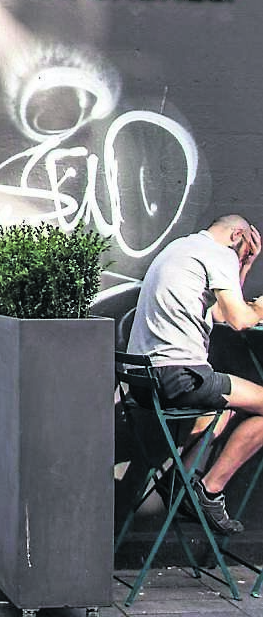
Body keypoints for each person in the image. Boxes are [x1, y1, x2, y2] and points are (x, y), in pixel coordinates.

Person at [126, 214, 263, 534]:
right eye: (245, 248)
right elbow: (240, 320)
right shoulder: (218, 253)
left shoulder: (183, 248)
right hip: (178, 375)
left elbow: (218, 313)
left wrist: (244, 265)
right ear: (237, 235)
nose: (242, 256)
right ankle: (210, 491)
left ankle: (180, 483)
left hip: (144, 380)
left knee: (223, 406)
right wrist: (259, 309)